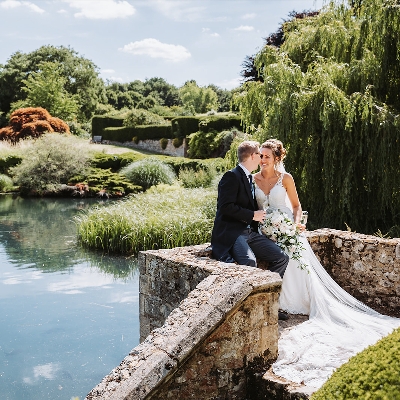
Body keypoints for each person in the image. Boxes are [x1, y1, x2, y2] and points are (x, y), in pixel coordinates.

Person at [254, 139, 400, 389]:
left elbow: (297, 207)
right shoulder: (253, 179)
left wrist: (297, 224)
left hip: (288, 230)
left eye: (267, 156)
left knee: (296, 264)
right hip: (264, 233)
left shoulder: (285, 178)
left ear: (276, 158)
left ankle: (294, 301)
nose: (263, 159)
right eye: (261, 156)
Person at [211, 140, 289, 281]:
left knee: (281, 257)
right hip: (234, 233)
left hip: (250, 233)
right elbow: (225, 207)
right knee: (250, 262)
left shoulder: (249, 177)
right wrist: (253, 215)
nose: (261, 158)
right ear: (253, 156)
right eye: (260, 154)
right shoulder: (232, 176)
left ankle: (267, 288)